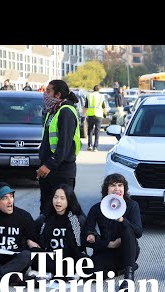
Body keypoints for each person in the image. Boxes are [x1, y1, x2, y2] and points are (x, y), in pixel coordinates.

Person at [82, 173, 142, 291]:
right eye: (113, 185)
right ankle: (119, 270)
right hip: (106, 251)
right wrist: (105, 243)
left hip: (127, 251)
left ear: (124, 189)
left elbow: (138, 232)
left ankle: (128, 275)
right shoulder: (97, 208)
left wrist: (123, 220)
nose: (117, 189)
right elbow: (86, 234)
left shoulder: (132, 205)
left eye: (120, 185)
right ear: (106, 189)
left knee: (127, 228)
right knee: (88, 273)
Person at [37, 79, 81, 215]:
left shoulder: (66, 112)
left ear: (58, 94)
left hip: (61, 171)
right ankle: (45, 235)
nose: (45, 94)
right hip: (49, 170)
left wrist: (49, 165)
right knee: (46, 209)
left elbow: (64, 146)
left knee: (63, 211)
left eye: (48, 91)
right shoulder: (53, 111)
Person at [0, 182, 38, 290]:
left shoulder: (23, 216)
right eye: (5, 198)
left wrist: (29, 241)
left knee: (27, 255)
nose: (10, 201)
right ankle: (14, 278)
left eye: (11, 196)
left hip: (13, 262)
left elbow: (34, 239)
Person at [30, 184, 87, 278]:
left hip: (70, 258)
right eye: (55, 197)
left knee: (84, 260)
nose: (58, 201)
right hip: (51, 258)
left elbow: (82, 244)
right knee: (34, 256)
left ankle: (53, 274)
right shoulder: (45, 217)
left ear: (69, 200)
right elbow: (31, 232)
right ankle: (61, 274)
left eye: (62, 198)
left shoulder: (77, 219)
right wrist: (30, 241)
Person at [82, 85, 106, 152]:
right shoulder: (101, 96)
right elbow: (104, 107)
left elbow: (85, 106)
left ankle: (89, 145)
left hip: (90, 115)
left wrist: (83, 115)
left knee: (90, 130)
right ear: (99, 90)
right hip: (98, 115)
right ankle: (95, 147)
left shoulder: (89, 96)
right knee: (97, 131)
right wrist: (105, 114)